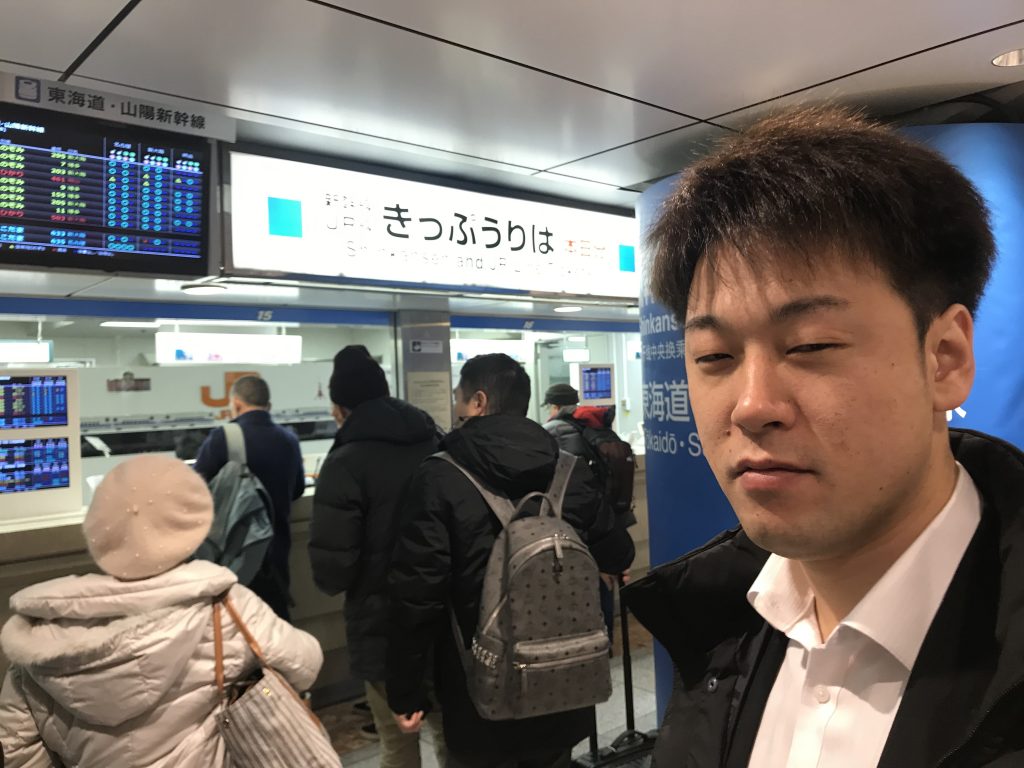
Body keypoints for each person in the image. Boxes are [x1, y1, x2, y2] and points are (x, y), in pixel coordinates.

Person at [624, 106, 1024, 767]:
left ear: (945, 358)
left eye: (810, 345)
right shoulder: (714, 627)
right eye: (715, 357)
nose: (752, 406)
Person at [0, 454, 323, 768]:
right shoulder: (227, 608)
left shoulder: (36, 638)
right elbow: (305, 664)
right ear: (193, 523)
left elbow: (17, 744)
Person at [386, 353, 602, 768]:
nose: (455, 406)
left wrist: (406, 689)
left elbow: (417, 594)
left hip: (479, 687)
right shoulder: (567, 468)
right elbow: (614, 552)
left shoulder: (439, 476)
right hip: (565, 678)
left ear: (479, 401)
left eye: (459, 397)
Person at [308, 345, 441, 768]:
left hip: (383, 622)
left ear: (340, 408)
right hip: (447, 611)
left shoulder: (345, 461)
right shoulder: (434, 440)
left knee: (398, 744)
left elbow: (333, 569)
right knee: (452, 735)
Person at [194, 374, 305, 620]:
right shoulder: (289, 440)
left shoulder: (224, 437)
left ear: (236, 404)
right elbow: (297, 489)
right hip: (277, 554)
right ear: (269, 406)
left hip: (236, 555)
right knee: (275, 627)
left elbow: (195, 489)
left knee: (236, 626)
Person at [542, 383, 636, 642]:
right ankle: (604, 644)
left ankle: (585, 646)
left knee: (581, 590)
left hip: (580, 528)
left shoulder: (554, 431)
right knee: (604, 584)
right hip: (610, 524)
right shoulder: (596, 428)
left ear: (555, 407)